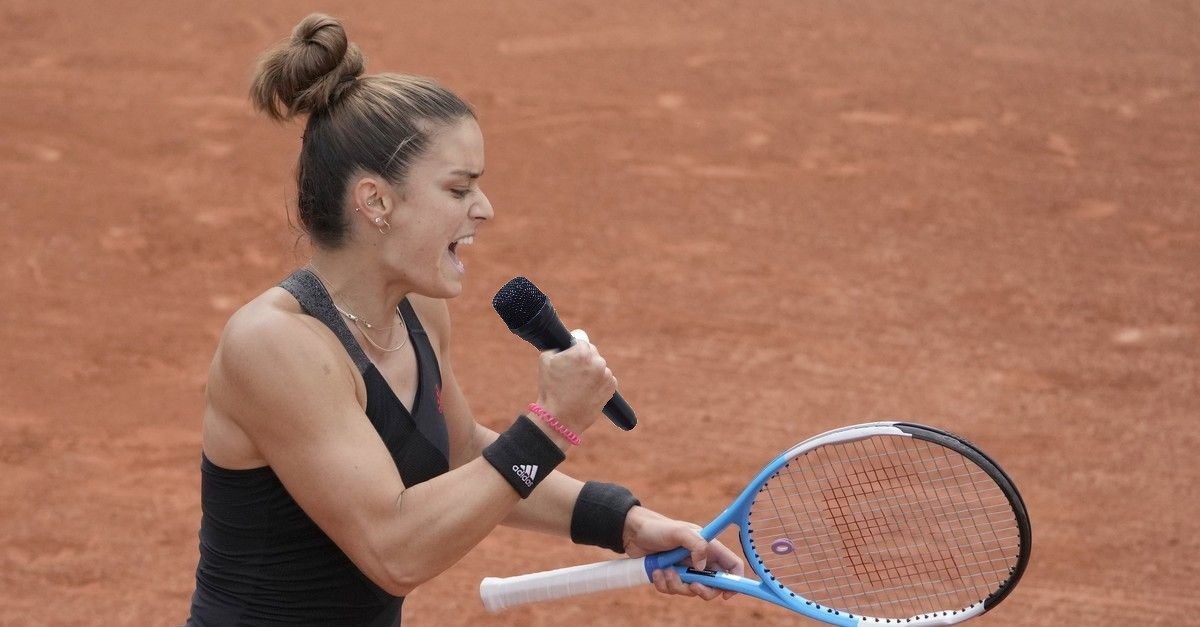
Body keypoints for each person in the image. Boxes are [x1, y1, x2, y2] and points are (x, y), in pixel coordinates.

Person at [184, 13, 742, 627]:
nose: (485, 208)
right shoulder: (274, 344)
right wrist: (552, 424)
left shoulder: (417, 310)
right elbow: (394, 551)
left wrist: (624, 522)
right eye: (458, 189)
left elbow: (459, 453)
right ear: (376, 201)